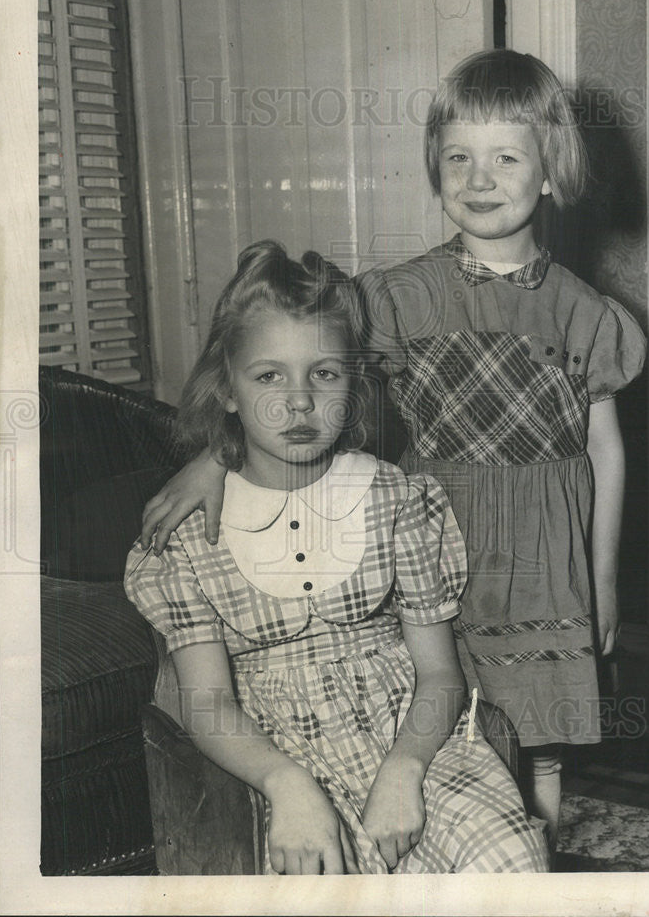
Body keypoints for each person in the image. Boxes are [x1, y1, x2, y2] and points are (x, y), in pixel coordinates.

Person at [141, 49, 647, 850]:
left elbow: (604, 452)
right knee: (440, 723)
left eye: (506, 157)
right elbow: (293, 370)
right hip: (427, 542)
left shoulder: (590, 316)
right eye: (457, 158)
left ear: (550, 173)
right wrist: (216, 454)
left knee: (540, 746)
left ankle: (526, 871)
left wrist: (604, 577)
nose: (478, 178)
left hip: (546, 562)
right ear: (435, 171)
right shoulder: (393, 298)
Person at [126, 241, 549, 875]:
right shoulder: (191, 537)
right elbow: (207, 703)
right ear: (229, 392)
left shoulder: (396, 499)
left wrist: (405, 770)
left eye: (324, 374)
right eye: (268, 375)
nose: (298, 401)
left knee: (510, 862)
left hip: (412, 737)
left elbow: (439, 676)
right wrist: (287, 785)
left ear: (351, 385)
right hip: (269, 756)